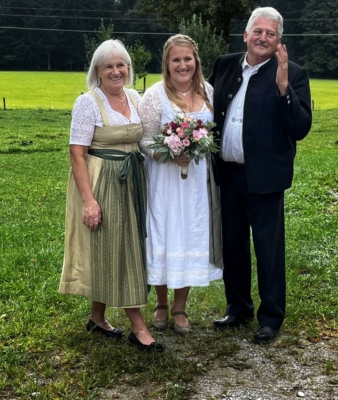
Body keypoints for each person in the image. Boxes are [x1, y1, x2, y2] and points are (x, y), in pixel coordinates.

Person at [209, 7, 312, 344]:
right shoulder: (225, 65)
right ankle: (238, 308)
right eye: (258, 31)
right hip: (228, 174)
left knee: (268, 249)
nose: (263, 38)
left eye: (271, 34)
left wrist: (283, 88)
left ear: (279, 41)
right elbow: (201, 105)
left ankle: (270, 317)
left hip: (266, 178)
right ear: (246, 35)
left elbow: (300, 128)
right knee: (233, 245)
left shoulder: (293, 73)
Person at [59, 39, 163, 352]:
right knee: (118, 248)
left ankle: (97, 317)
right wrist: (89, 201)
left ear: (128, 69)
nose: (116, 71)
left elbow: (145, 140)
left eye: (121, 65)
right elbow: (77, 154)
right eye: (109, 66)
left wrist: (174, 149)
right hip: (102, 181)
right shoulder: (88, 102)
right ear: (98, 71)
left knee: (117, 246)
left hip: (132, 180)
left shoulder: (134, 98)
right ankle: (138, 327)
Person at [138, 34, 223, 334]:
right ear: (167, 63)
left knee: (190, 235)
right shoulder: (155, 95)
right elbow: (144, 139)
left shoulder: (208, 91)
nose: (182, 65)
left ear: (195, 61)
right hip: (164, 179)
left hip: (197, 181)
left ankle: (180, 307)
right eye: (176, 59)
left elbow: (214, 132)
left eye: (187, 59)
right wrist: (168, 152)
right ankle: (161, 303)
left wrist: (197, 146)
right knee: (164, 234)